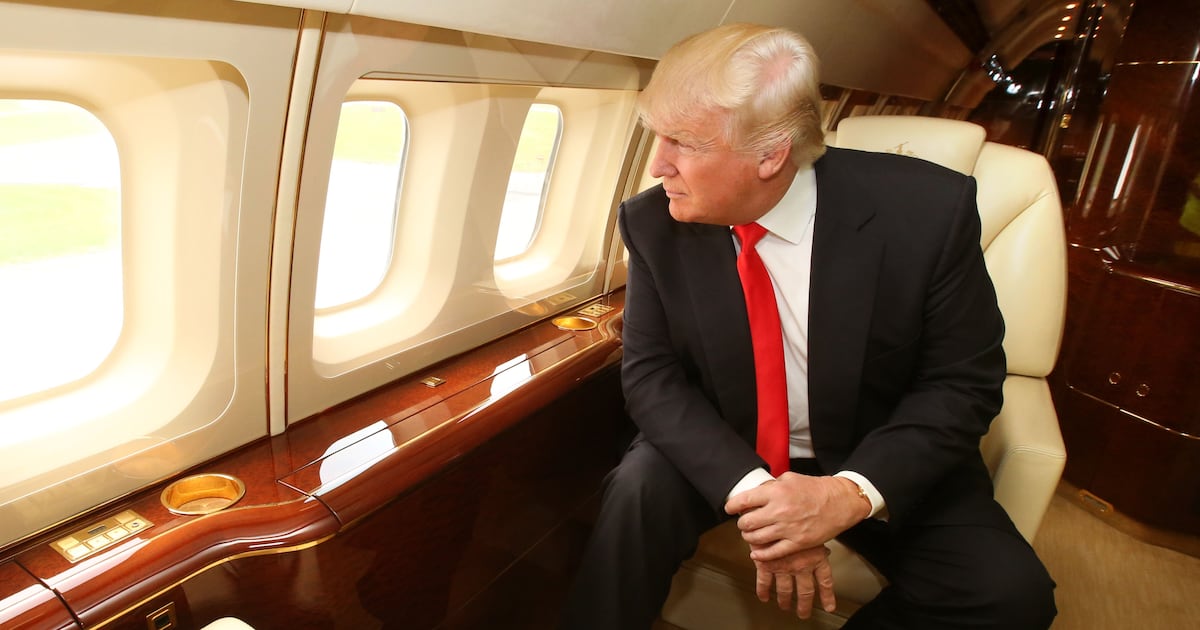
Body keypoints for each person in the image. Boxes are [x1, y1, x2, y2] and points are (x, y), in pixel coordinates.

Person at [559, 22, 1057, 630]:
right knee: (635, 493)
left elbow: (961, 384)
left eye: (683, 142)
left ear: (771, 154)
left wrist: (845, 495)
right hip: (731, 441)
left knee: (1011, 595)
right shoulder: (653, 223)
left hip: (876, 445)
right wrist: (765, 504)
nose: (659, 165)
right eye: (655, 135)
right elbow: (651, 377)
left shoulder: (928, 214)